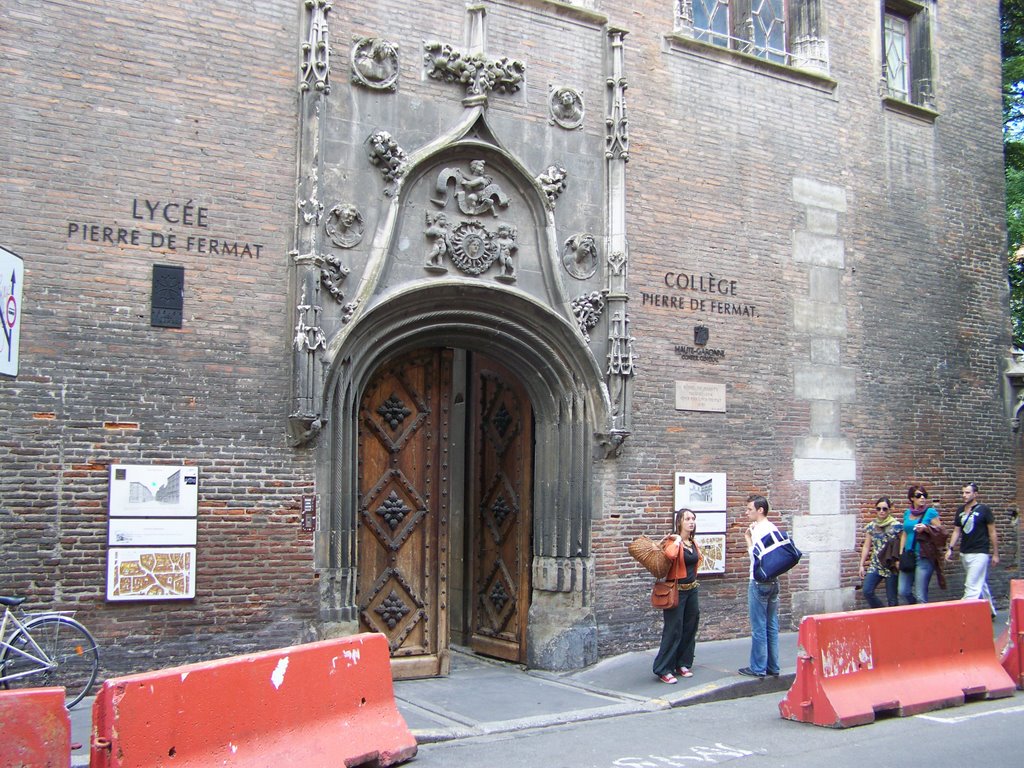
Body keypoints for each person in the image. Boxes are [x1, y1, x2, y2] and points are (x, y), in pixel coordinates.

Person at [652, 509, 701, 684]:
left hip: (692, 589)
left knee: (690, 627)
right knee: (673, 629)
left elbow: (696, 561)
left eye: (693, 519)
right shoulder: (674, 541)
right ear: (679, 521)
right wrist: (678, 540)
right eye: (687, 519)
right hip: (676, 590)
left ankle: (683, 663)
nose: (691, 522)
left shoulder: (692, 542)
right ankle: (664, 668)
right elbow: (670, 555)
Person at [739, 495, 780, 679]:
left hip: (758, 581)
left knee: (758, 626)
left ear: (760, 510)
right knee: (771, 624)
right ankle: (773, 666)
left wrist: (748, 537)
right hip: (773, 581)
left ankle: (758, 667)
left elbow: (755, 558)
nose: (747, 512)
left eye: (750, 509)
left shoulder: (758, 530)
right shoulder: (773, 528)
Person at [945, 482, 999, 617]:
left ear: (975, 494)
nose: (964, 495)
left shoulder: (984, 510)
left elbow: (992, 532)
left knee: (971, 585)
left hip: (980, 552)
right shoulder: (960, 510)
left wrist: (995, 553)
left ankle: (965, 615)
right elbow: (957, 531)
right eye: (963, 492)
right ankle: (990, 611)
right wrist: (950, 548)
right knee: (980, 582)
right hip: (965, 552)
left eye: (967, 492)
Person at [898, 485, 943, 604]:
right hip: (908, 554)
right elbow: (905, 533)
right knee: (903, 590)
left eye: (924, 495)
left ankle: (923, 619)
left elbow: (941, 531)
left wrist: (926, 528)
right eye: (918, 495)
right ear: (912, 498)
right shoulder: (907, 513)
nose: (922, 498)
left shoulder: (930, 512)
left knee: (920, 594)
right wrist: (901, 553)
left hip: (923, 555)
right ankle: (915, 610)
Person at [858, 496, 900, 608]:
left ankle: (893, 621)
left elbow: (901, 546)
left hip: (890, 565)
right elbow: (867, 546)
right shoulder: (871, 526)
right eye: (879, 508)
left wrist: (899, 561)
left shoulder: (896, 526)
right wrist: (861, 565)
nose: (881, 511)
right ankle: (881, 612)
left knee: (892, 599)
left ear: (889, 510)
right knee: (867, 591)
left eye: (885, 509)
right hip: (876, 564)